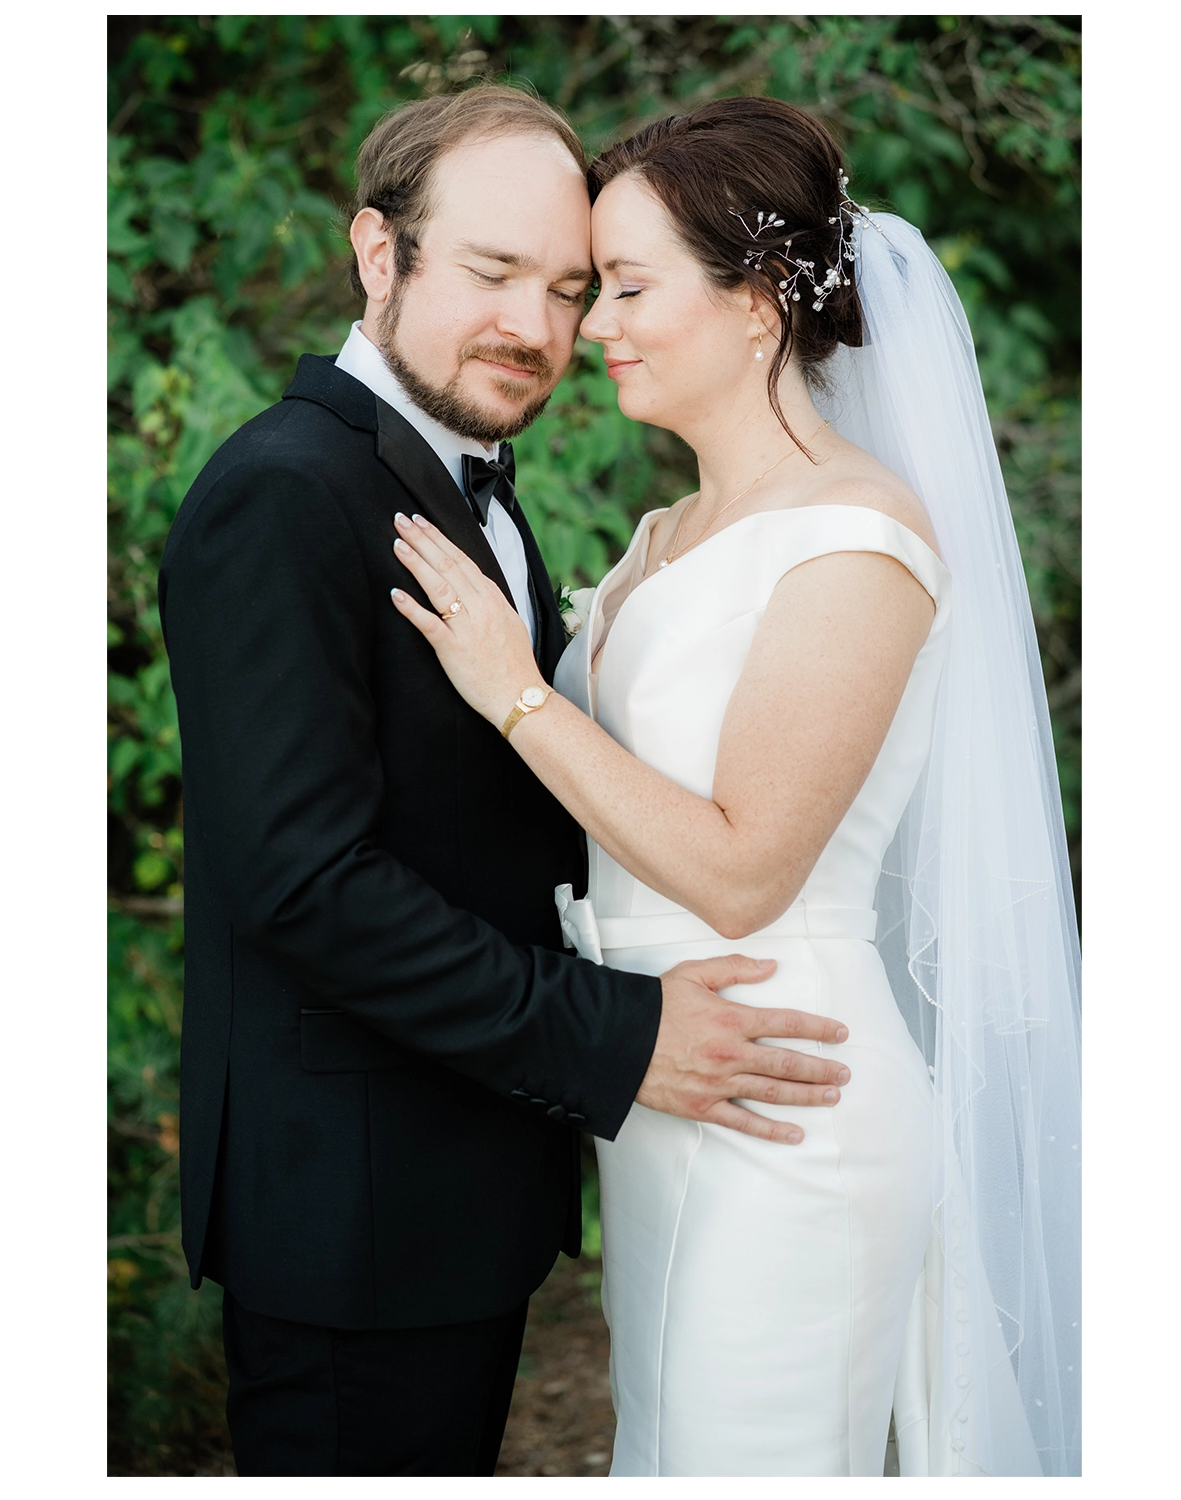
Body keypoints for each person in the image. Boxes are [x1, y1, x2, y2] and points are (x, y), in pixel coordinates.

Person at [158, 84, 859, 1478]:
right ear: (379, 252)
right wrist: (616, 1032)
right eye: (490, 273)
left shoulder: (468, 479)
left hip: (448, 1183)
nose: (535, 329)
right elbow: (303, 884)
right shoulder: (288, 494)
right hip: (350, 1209)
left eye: (570, 288)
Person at [386, 97, 1078, 1475]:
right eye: (601, 291)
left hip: (787, 1092)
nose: (599, 329)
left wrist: (512, 686)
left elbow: (749, 864)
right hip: (670, 1079)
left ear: (758, 300)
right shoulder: (672, 531)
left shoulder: (855, 537)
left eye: (631, 288)